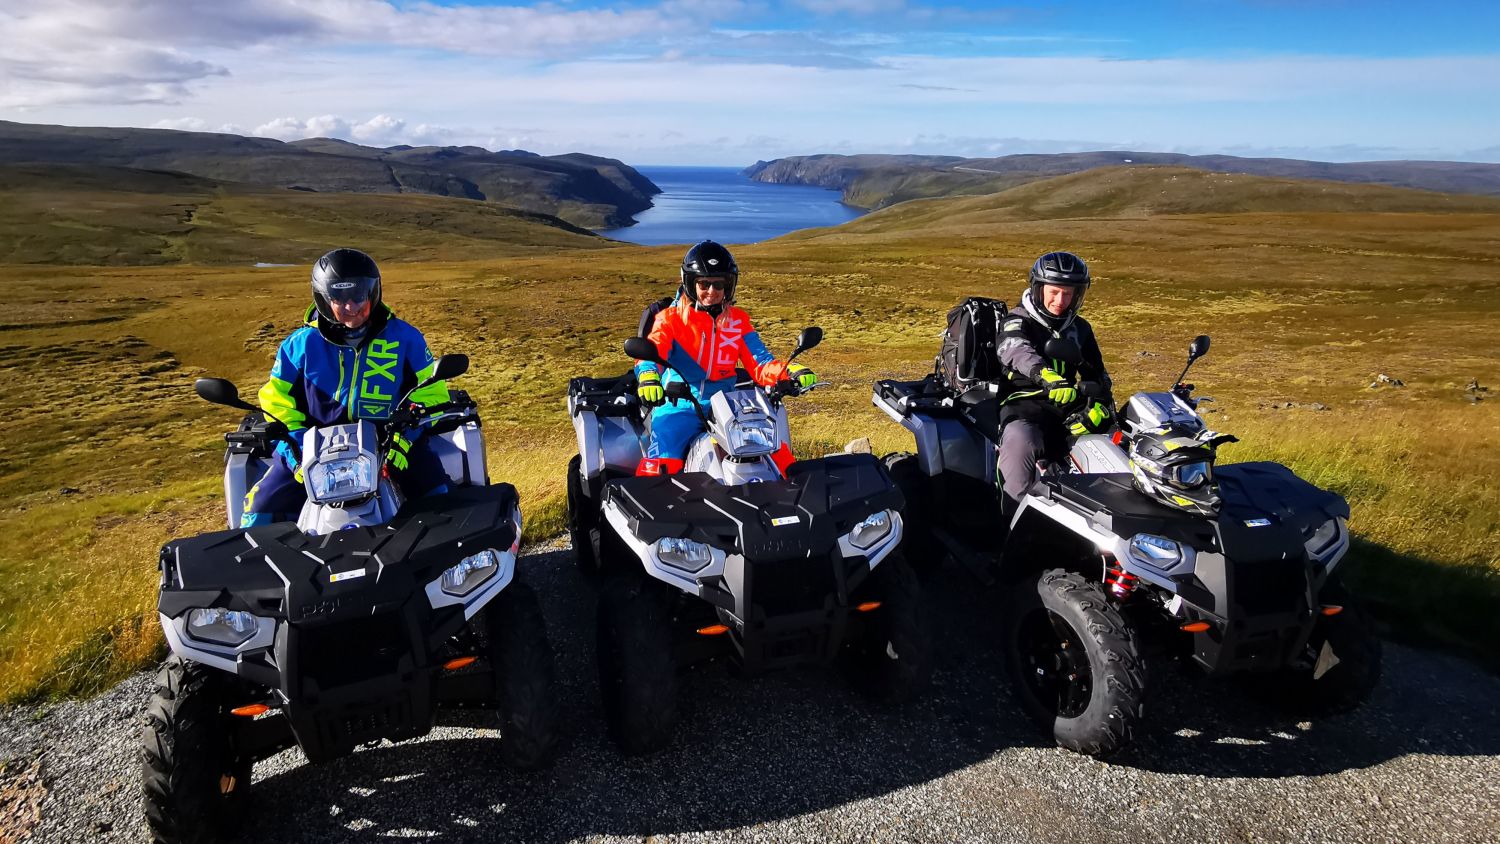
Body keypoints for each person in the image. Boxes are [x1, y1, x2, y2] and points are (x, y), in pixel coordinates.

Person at [240, 248, 452, 526]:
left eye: (358, 295)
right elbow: (276, 400)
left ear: (373, 293)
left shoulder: (405, 337)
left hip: (390, 443)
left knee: (442, 500)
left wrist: (406, 436)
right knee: (258, 511)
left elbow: (431, 392)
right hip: (312, 449)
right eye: (339, 297)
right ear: (323, 298)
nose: (351, 306)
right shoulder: (299, 345)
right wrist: (296, 446)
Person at [632, 240, 817, 476]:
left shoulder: (738, 321)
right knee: (662, 466)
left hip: (728, 406)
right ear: (690, 283)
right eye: (704, 283)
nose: (712, 291)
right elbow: (652, 352)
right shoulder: (670, 319)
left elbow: (760, 363)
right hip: (680, 405)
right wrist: (648, 376)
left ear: (729, 285)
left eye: (719, 284)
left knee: (779, 457)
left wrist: (790, 371)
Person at [994, 251, 1114, 506]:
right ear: (1039, 289)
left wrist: (1100, 407)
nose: (1060, 300)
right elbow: (1014, 349)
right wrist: (1045, 375)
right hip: (1023, 405)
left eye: (1068, 293)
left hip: (1067, 406)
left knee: (1111, 444)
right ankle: (1012, 519)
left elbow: (1097, 373)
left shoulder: (1080, 328)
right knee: (1021, 441)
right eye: (1054, 292)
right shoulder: (1016, 320)